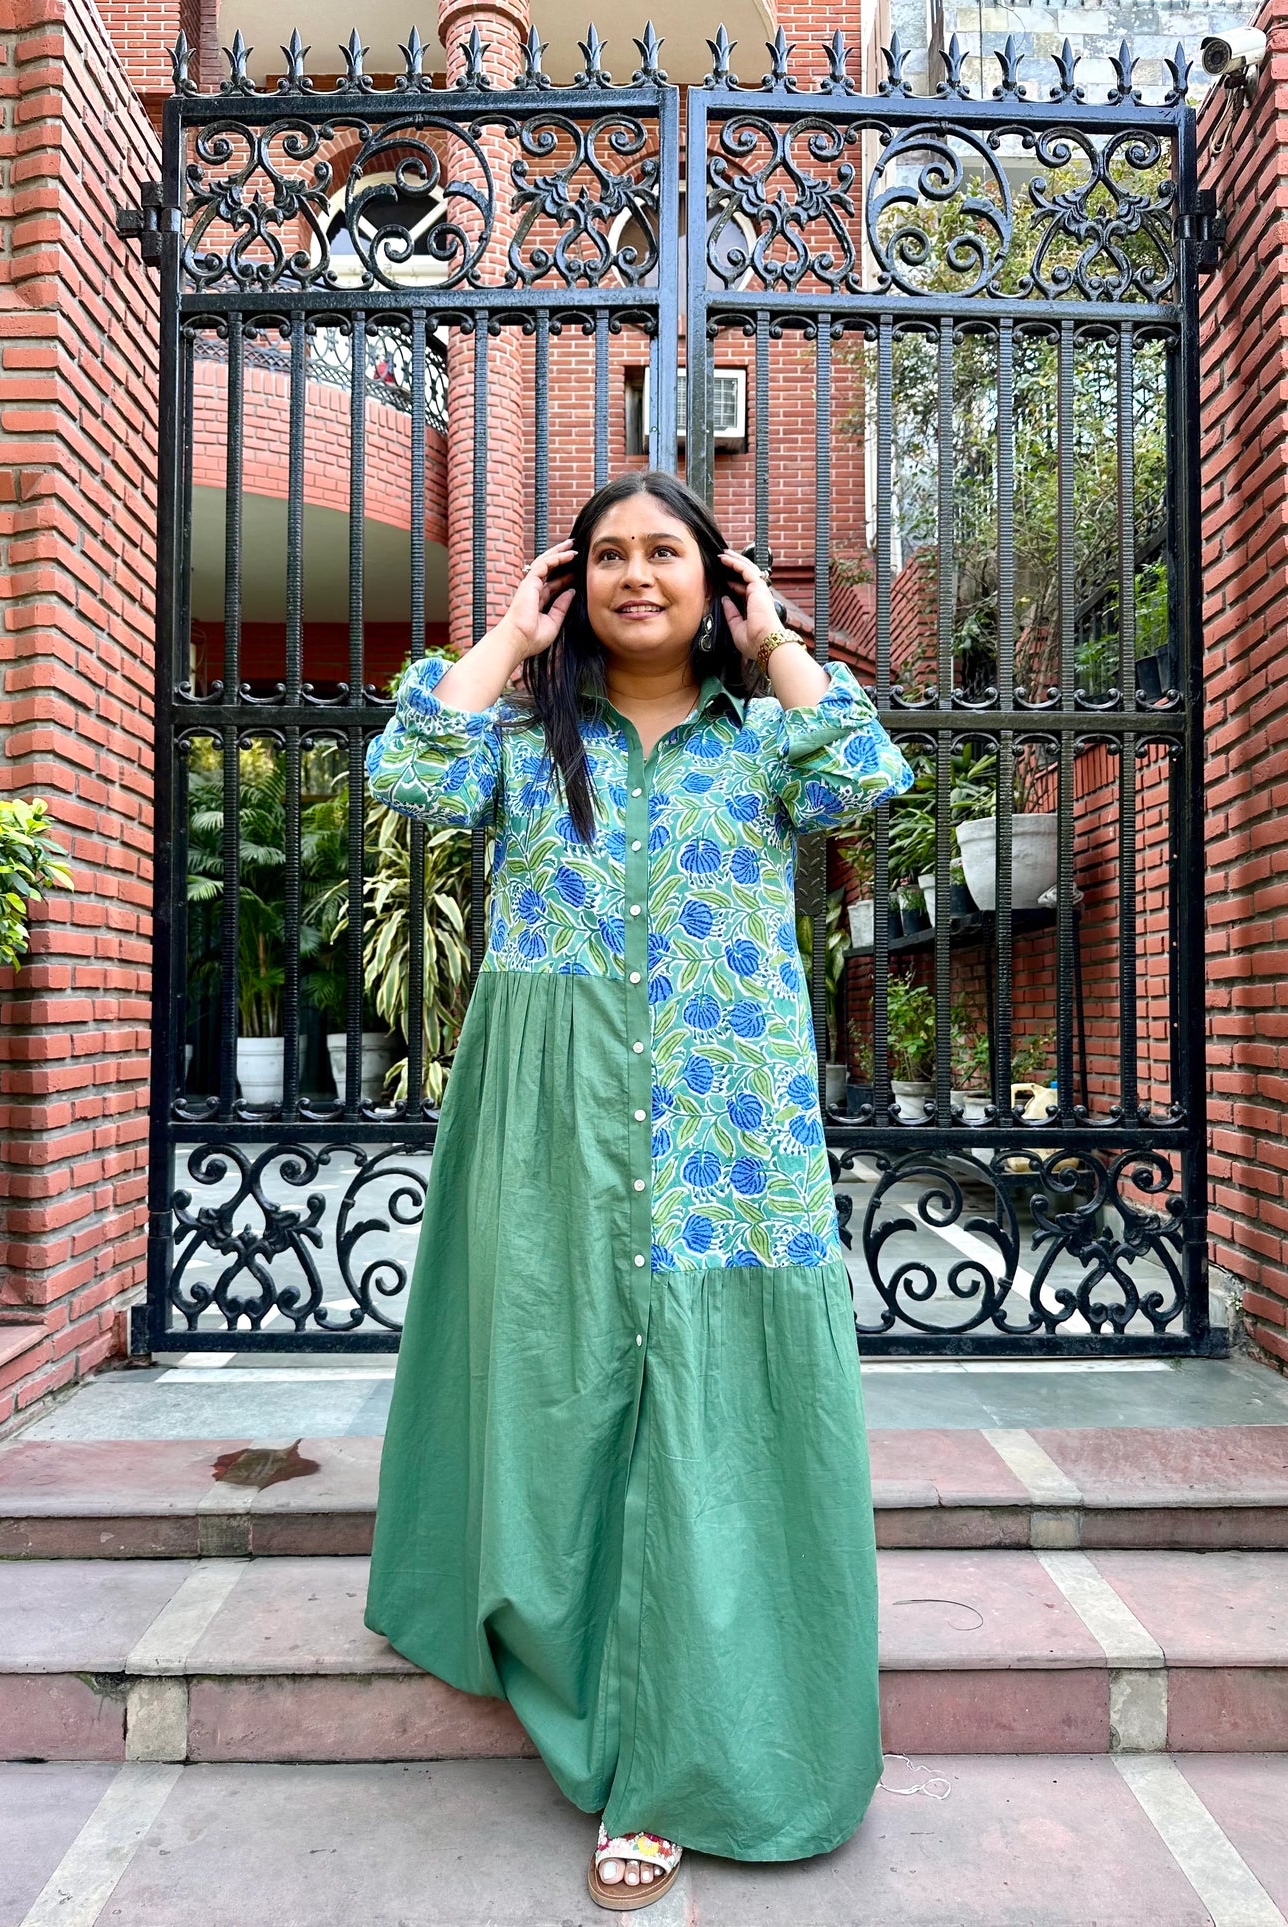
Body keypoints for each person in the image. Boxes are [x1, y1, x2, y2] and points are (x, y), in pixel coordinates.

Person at [363, 469, 914, 1910]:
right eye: (605, 557)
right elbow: (408, 773)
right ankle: (570, 1664)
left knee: (709, 1425)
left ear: (712, 577)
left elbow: (867, 779)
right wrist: (506, 634)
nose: (633, 577)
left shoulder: (762, 741)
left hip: (730, 1125)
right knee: (563, 1388)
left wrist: (778, 636)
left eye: (664, 553)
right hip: (556, 1121)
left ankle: (676, 1760)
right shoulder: (532, 740)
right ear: (574, 583)